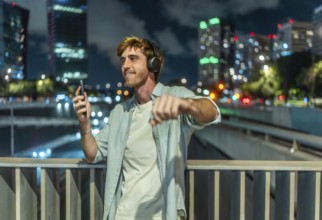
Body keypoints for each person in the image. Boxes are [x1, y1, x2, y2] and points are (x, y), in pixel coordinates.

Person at [72, 36, 221, 220]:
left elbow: (212, 111)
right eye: (123, 60)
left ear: (153, 65)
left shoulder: (174, 96)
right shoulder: (120, 112)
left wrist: (187, 105)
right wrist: (84, 123)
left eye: (133, 58)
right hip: (122, 215)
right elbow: (92, 154)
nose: (125, 65)